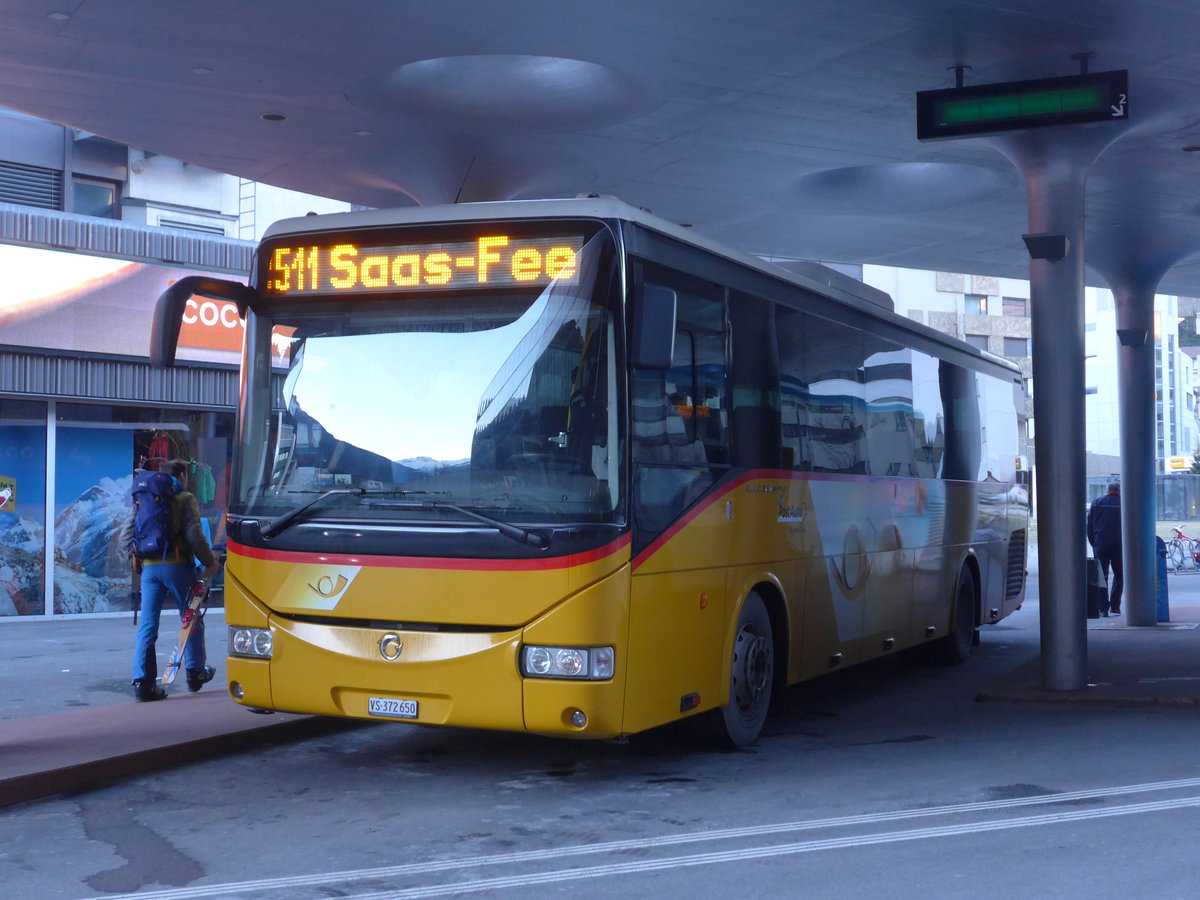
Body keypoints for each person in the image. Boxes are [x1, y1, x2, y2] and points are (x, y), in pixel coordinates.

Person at [126, 458, 221, 701]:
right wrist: (209, 561)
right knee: (191, 618)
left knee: (147, 626)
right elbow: (193, 534)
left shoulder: (145, 498)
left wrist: (137, 561)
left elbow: (126, 534)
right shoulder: (185, 498)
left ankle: (143, 684)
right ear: (182, 476)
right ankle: (195, 672)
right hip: (178, 566)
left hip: (149, 569)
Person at [1087, 481, 1123, 616]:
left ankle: (1103, 608)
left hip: (1100, 544)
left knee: (1102, 576)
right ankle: (1115, 605)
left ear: (1107, 490)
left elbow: (1089, 525)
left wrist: (1093, 542)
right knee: (1119, 575)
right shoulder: (1123, 503)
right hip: (1119, 545)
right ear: (1119, 491)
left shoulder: (1096, 503)